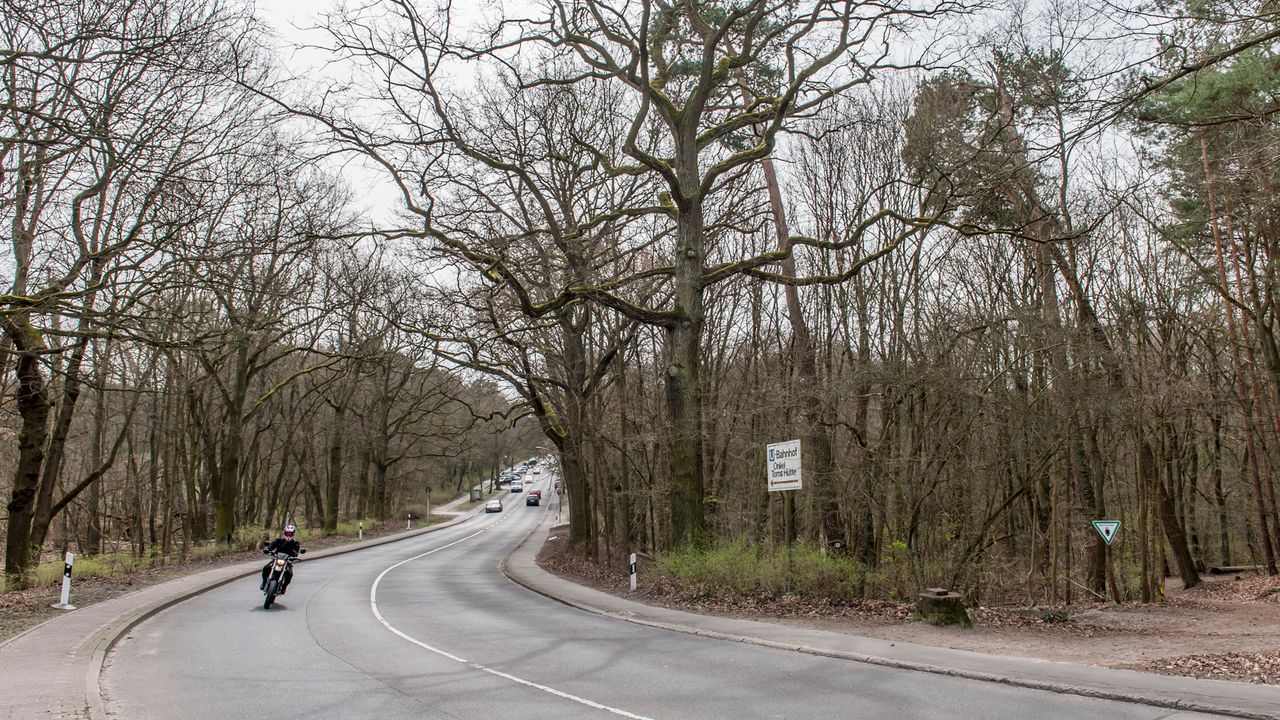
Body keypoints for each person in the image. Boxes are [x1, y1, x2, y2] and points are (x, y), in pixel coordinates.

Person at [260, 524, 301, 594]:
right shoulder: (279, 540)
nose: (289, 535)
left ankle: (284, 587)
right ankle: (264, 582)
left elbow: (296, 552)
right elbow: (271, 546)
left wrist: (294, 555)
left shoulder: (295, 543)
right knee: (266, 568)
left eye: (290, 534)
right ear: (284, 533)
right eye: (287, 533)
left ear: (293, 534)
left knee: (290, 574)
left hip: (287, 561)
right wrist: (267, 549)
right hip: (276, 558)